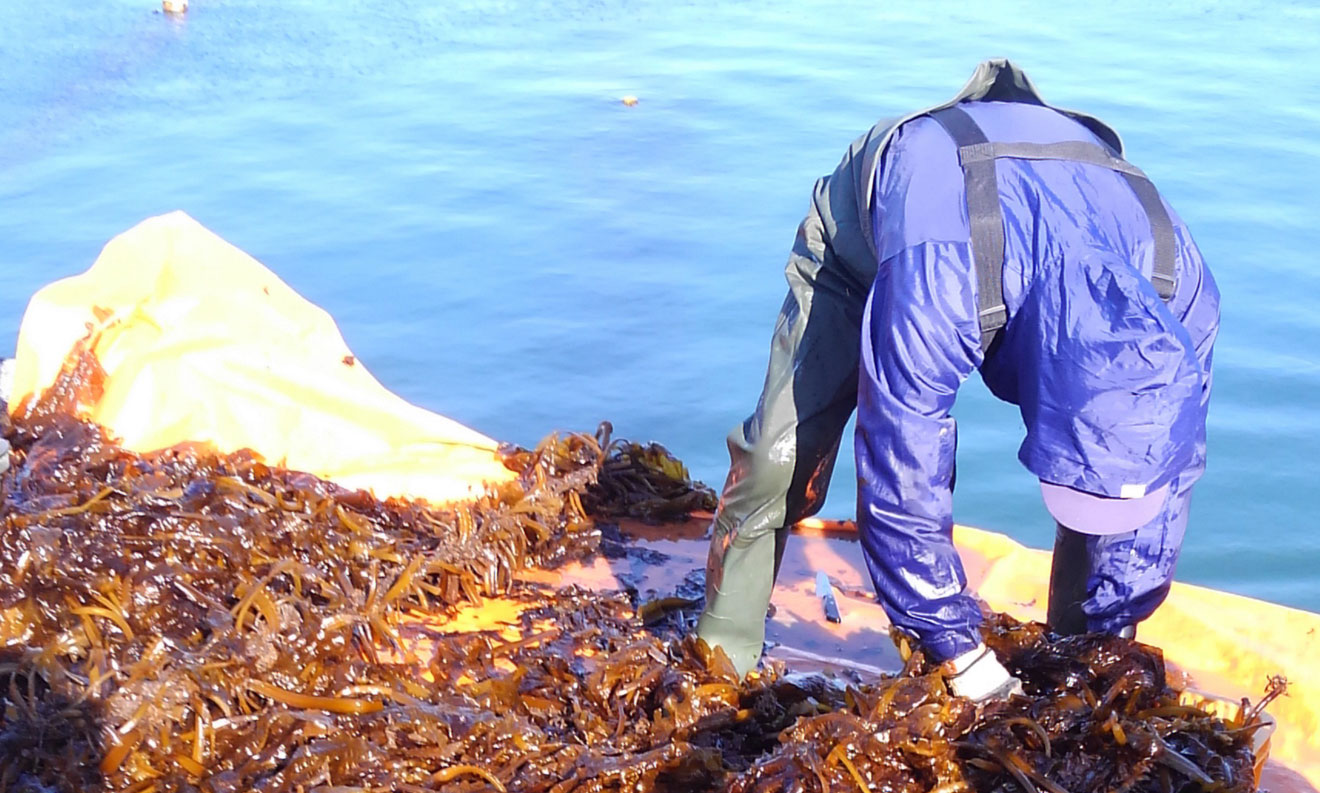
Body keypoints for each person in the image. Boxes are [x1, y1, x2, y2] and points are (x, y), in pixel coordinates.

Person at [695, 59, 1219, 701]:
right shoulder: (942, 280)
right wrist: (957, 648)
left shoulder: (1184, 293)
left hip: (1029, 219)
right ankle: (721, 651)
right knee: (783, 454)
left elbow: (1170, 475)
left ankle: (1070, 651)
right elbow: (900, 463)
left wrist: (1101, 650)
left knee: (1112, 499)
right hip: (888, 229)